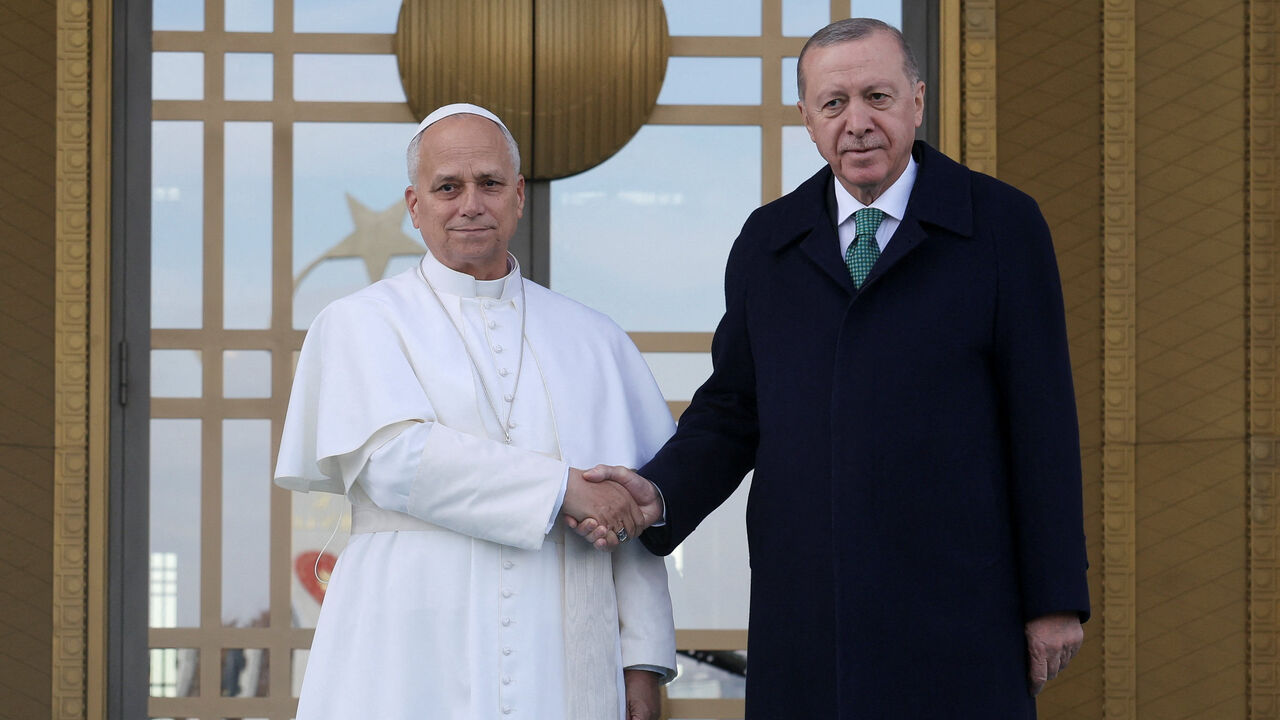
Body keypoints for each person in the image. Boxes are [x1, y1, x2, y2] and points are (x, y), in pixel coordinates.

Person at [572, 18, 1090, 718]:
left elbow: (1043, 420)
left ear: (918, 100)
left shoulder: (1001, 225)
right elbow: (733, 411)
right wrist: (653, 496)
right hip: (810, 613)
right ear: (807, 121)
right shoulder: (767, 242)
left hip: (960, 609)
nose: (858, 123)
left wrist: (1055, 598)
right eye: (834, 103)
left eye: (877, 96)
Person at [274, 103, 676, 720]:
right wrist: (562, 489)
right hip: (408, 643)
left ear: (517, 196)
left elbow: (629, 513)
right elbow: (395, 460)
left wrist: (642, 662)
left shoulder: (595, 339)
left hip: (563, 650)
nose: (470, 204)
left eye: (489, 184)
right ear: (415, 205)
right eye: (447, 187)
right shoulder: (360, 323)